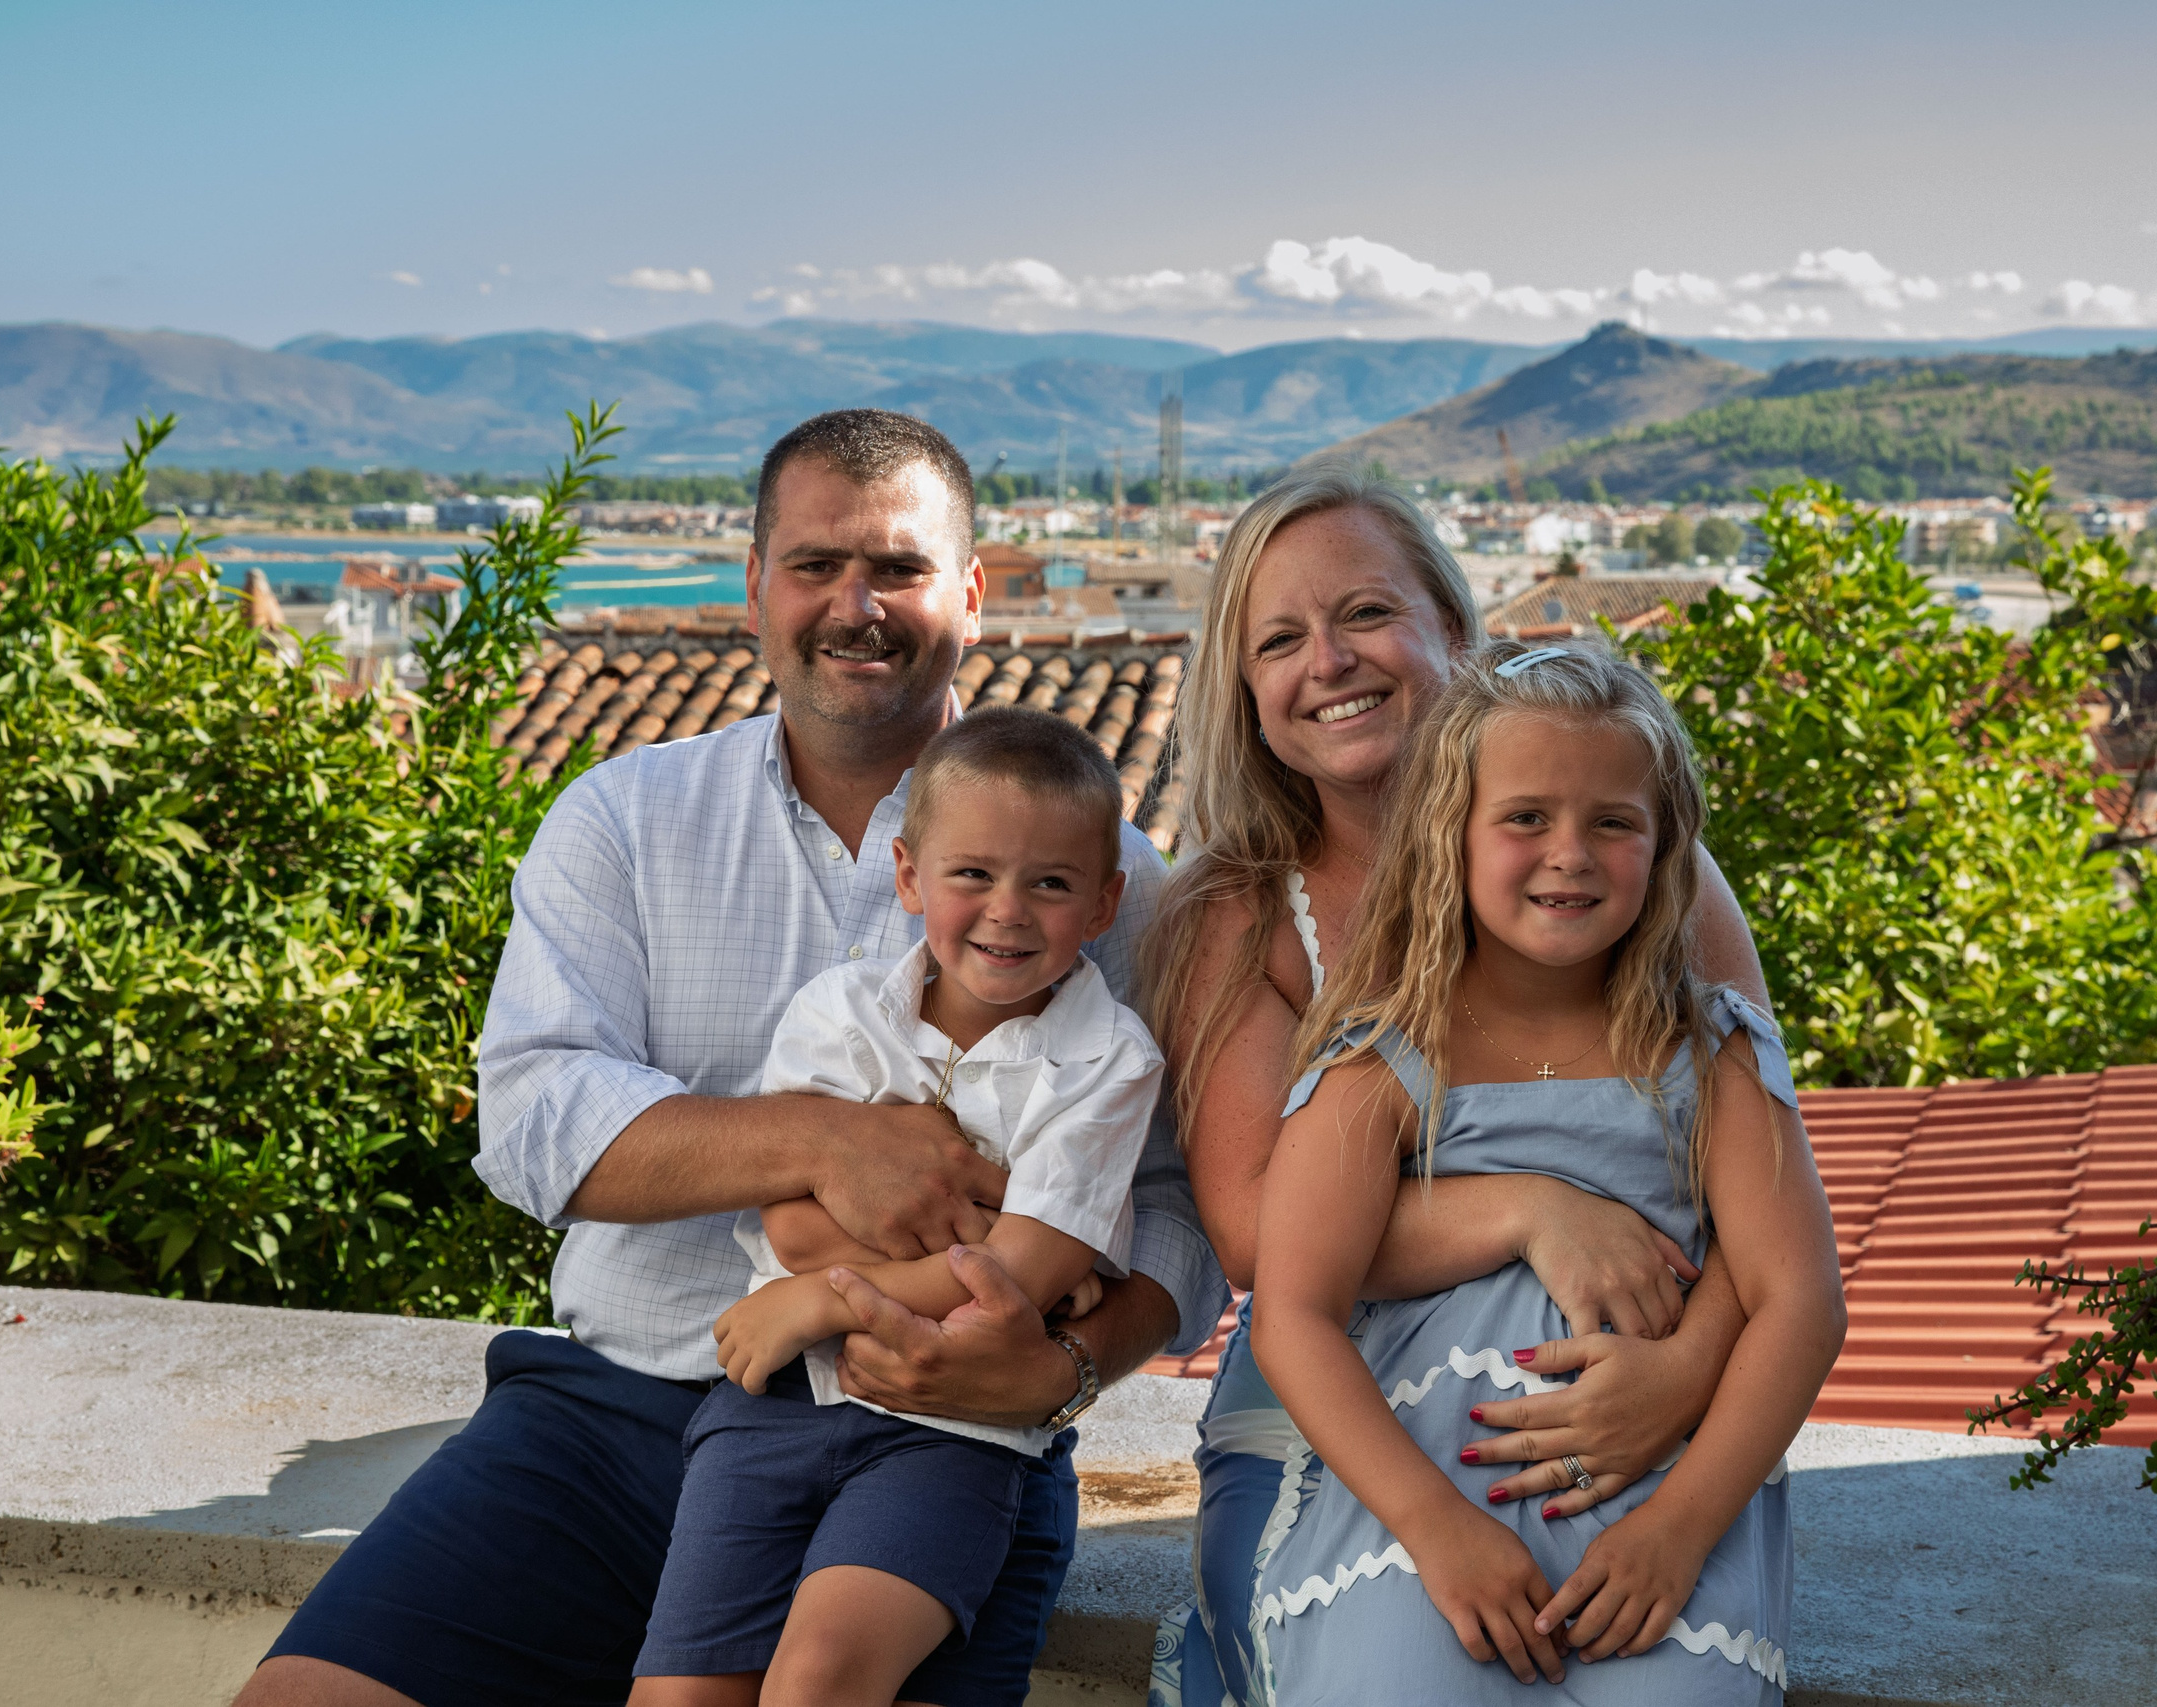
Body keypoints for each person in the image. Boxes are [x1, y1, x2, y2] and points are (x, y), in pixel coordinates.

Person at [239, 411, 1226, 1707]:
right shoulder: (624, 819)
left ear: (973, 594)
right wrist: (820, 1137)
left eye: (899, 568)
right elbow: (532, 1115)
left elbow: (1177, 1199)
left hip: (936, 1428)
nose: (855, 605)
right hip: (609, 1418)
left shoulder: (1110, 881)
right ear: (754, 585)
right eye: (815, 565)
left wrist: (1070, 1367)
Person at [1140, 467, 1777, 1707]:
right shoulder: (1234, 913)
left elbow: (1756, 1197)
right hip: (1346, 1424)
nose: (1327, 660)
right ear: (1246, 695)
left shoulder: (1648, 880)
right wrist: (1530, 1205)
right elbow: (1259, 1237)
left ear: (1454, 629)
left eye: (1365, 615)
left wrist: (1692, 1373)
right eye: (1278, 639)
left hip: (1628, 1420)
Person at [1246, 641, 1846, 1702]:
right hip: (1417, 1508)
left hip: (1662, 1505)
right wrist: (1435, 1531)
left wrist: (1679, 1529)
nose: (1569, 853)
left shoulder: (1713, 1054)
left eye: (1612, 821)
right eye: (1525, 817)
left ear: (1663, 850)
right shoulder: (1379, 1058)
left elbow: (1799, 1302)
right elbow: (1293, 1309)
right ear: (1451, 835)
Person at [631, 707, 1163, 1706]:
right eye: (973, 875)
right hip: (773, 1414)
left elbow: (1019, 1280)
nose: (1006, 910)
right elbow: (792, 1226)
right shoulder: (838, 1012)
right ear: (910, 876)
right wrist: (1009, 1255)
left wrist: (824, 1302)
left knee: (823, 1681)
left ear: (1102, 905)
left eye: (1049, 883)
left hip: (956, 1429)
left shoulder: (1109, 1059)